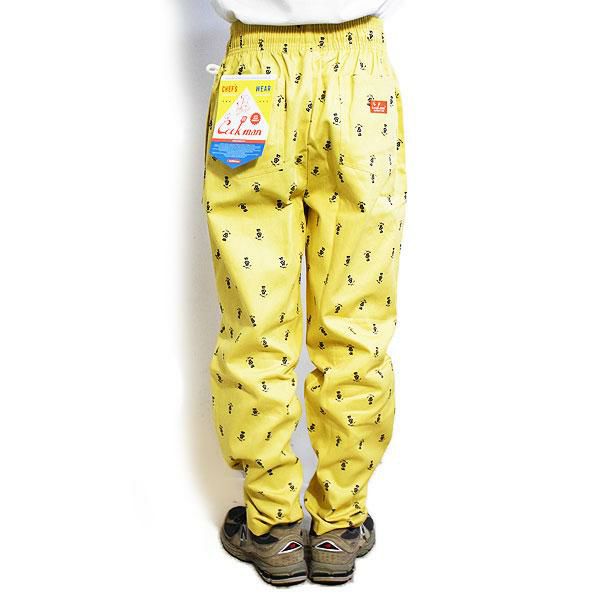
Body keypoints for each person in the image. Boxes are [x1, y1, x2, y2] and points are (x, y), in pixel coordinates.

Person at [202, 0, 407, 586]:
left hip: (255, 71)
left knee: (256, 318)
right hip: (359, 75)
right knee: (357, 318)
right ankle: (340, 524)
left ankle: (274, 528)